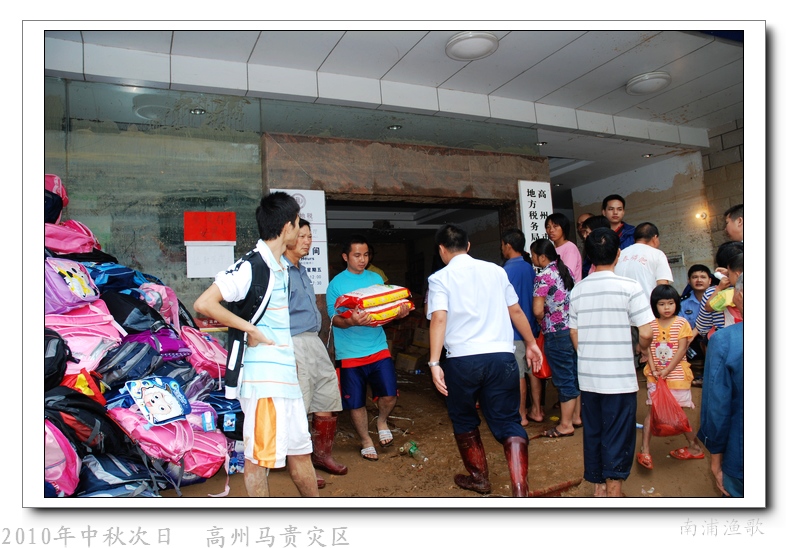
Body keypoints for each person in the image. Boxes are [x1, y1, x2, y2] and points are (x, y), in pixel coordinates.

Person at [193, 191, 318, 498]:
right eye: (298, 224)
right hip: (264, 384)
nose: (300, 230)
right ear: (287, 227)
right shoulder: (252, 266)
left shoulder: (280, 267)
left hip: (284, 380)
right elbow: (204, 303)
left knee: (300, 452)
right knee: (258, 460)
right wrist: (250, 328)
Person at [427, 224, 542, 497]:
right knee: (508, 420)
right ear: (468, 246)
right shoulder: (496, 271)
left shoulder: (440, 278)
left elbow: (439, 318)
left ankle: (479, 479)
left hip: (462, 361)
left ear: (442, 250)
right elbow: (515, 310)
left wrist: (434, 362)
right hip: (501, 357)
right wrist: (531, 343)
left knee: (464, 418)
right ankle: (520, 489)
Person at [567, 228, 654, 497]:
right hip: (620, 378)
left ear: (589, 257)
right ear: (618, 254)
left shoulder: (578, 290)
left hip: (589, 378)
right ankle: (614, 491)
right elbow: (647, 331)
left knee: (594, 431)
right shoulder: (630, 287)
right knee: (618, 433)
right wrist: (641, 349)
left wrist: (589, 355)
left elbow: (574, 332)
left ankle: (599, 488)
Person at [326, 234, 411, 462]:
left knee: (389, 394)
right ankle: (365, 440)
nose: (362, 259)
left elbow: (384, 310)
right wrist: (351, 321)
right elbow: (334, 320)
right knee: (356, 402)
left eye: (365, 255)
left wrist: (397, 313)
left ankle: (381, 421)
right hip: (350, 354)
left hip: (378, 347)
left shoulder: (376, 278)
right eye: (357, 255)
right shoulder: (336, 285)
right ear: (345, 257)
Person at [282, 219, 347, 487]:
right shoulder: (280, 272)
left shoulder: (302, 270)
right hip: (293, 343)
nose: (308, 241)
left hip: (314, 341)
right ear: (287, 238)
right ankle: (302, 465)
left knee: (326, 398)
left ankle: (322, 455)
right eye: (302, 236)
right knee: (300, 405)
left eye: (310, 236)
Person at [636, 285, 704, 470]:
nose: (666, 307)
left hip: (677, 376)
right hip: (656, 376)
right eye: (662, 304)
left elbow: (682, 350)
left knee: (678, 414)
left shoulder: (682, 323)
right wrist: (653, 368)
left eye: (670, 303)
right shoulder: (651, 324)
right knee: (652, 412)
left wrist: (666, 371)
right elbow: (647, 349)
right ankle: (645, 450)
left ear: (676, 304)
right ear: (654, 305)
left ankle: (694, 446)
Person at [697, 273, 744, 497]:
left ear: (739, 296)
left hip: (741, 453)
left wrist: (716, 458)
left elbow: (717, 406)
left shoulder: (725, 341)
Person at [530, 239, 581, 438]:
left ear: (542, 257)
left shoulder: (543, 276)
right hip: (572, 330)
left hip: (555, 332)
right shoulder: (565, 271)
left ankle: (565, 425)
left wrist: (541, 319)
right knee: (574, 374)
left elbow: (537, 310)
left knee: (563, 377)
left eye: (534, 255)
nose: (532, 258)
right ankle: (576, 417)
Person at [500, 228, 541, 426]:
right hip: (531, 328)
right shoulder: (529, 268)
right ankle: (537, 410)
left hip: (514, 330)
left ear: (508, 246)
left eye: (503, 245)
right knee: (533, 370)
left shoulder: (505, 271)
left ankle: (522, 414)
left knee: (518, 374)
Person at [613, 222, 673, 297]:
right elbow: (662, 287)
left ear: (634, 239)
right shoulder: (658, 254)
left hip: (621, 303)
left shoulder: (620, 254)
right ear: (655, 238)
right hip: (647, 303)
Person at [545, 212, 582, 282]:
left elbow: (567, 274)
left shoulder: (570, 248)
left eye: (555, 226)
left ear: (564, 228)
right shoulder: (551, 248)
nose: (551, 230)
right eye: (548, 227)